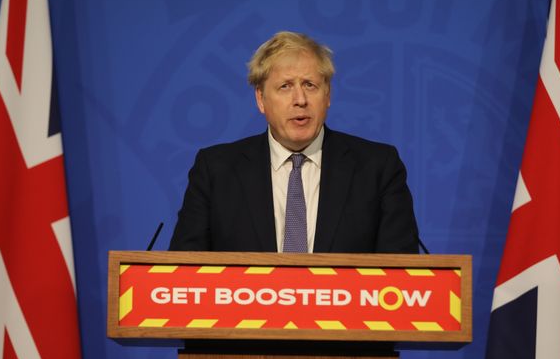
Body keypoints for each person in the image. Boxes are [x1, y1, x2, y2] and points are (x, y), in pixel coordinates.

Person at [169, 31, 419, 253]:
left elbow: (404, 276)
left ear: (327, 95)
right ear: (261, 99)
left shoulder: (377, 168)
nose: (300, 99)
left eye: (310, 85)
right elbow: (183, 274)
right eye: (285, 86)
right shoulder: (216, 171)